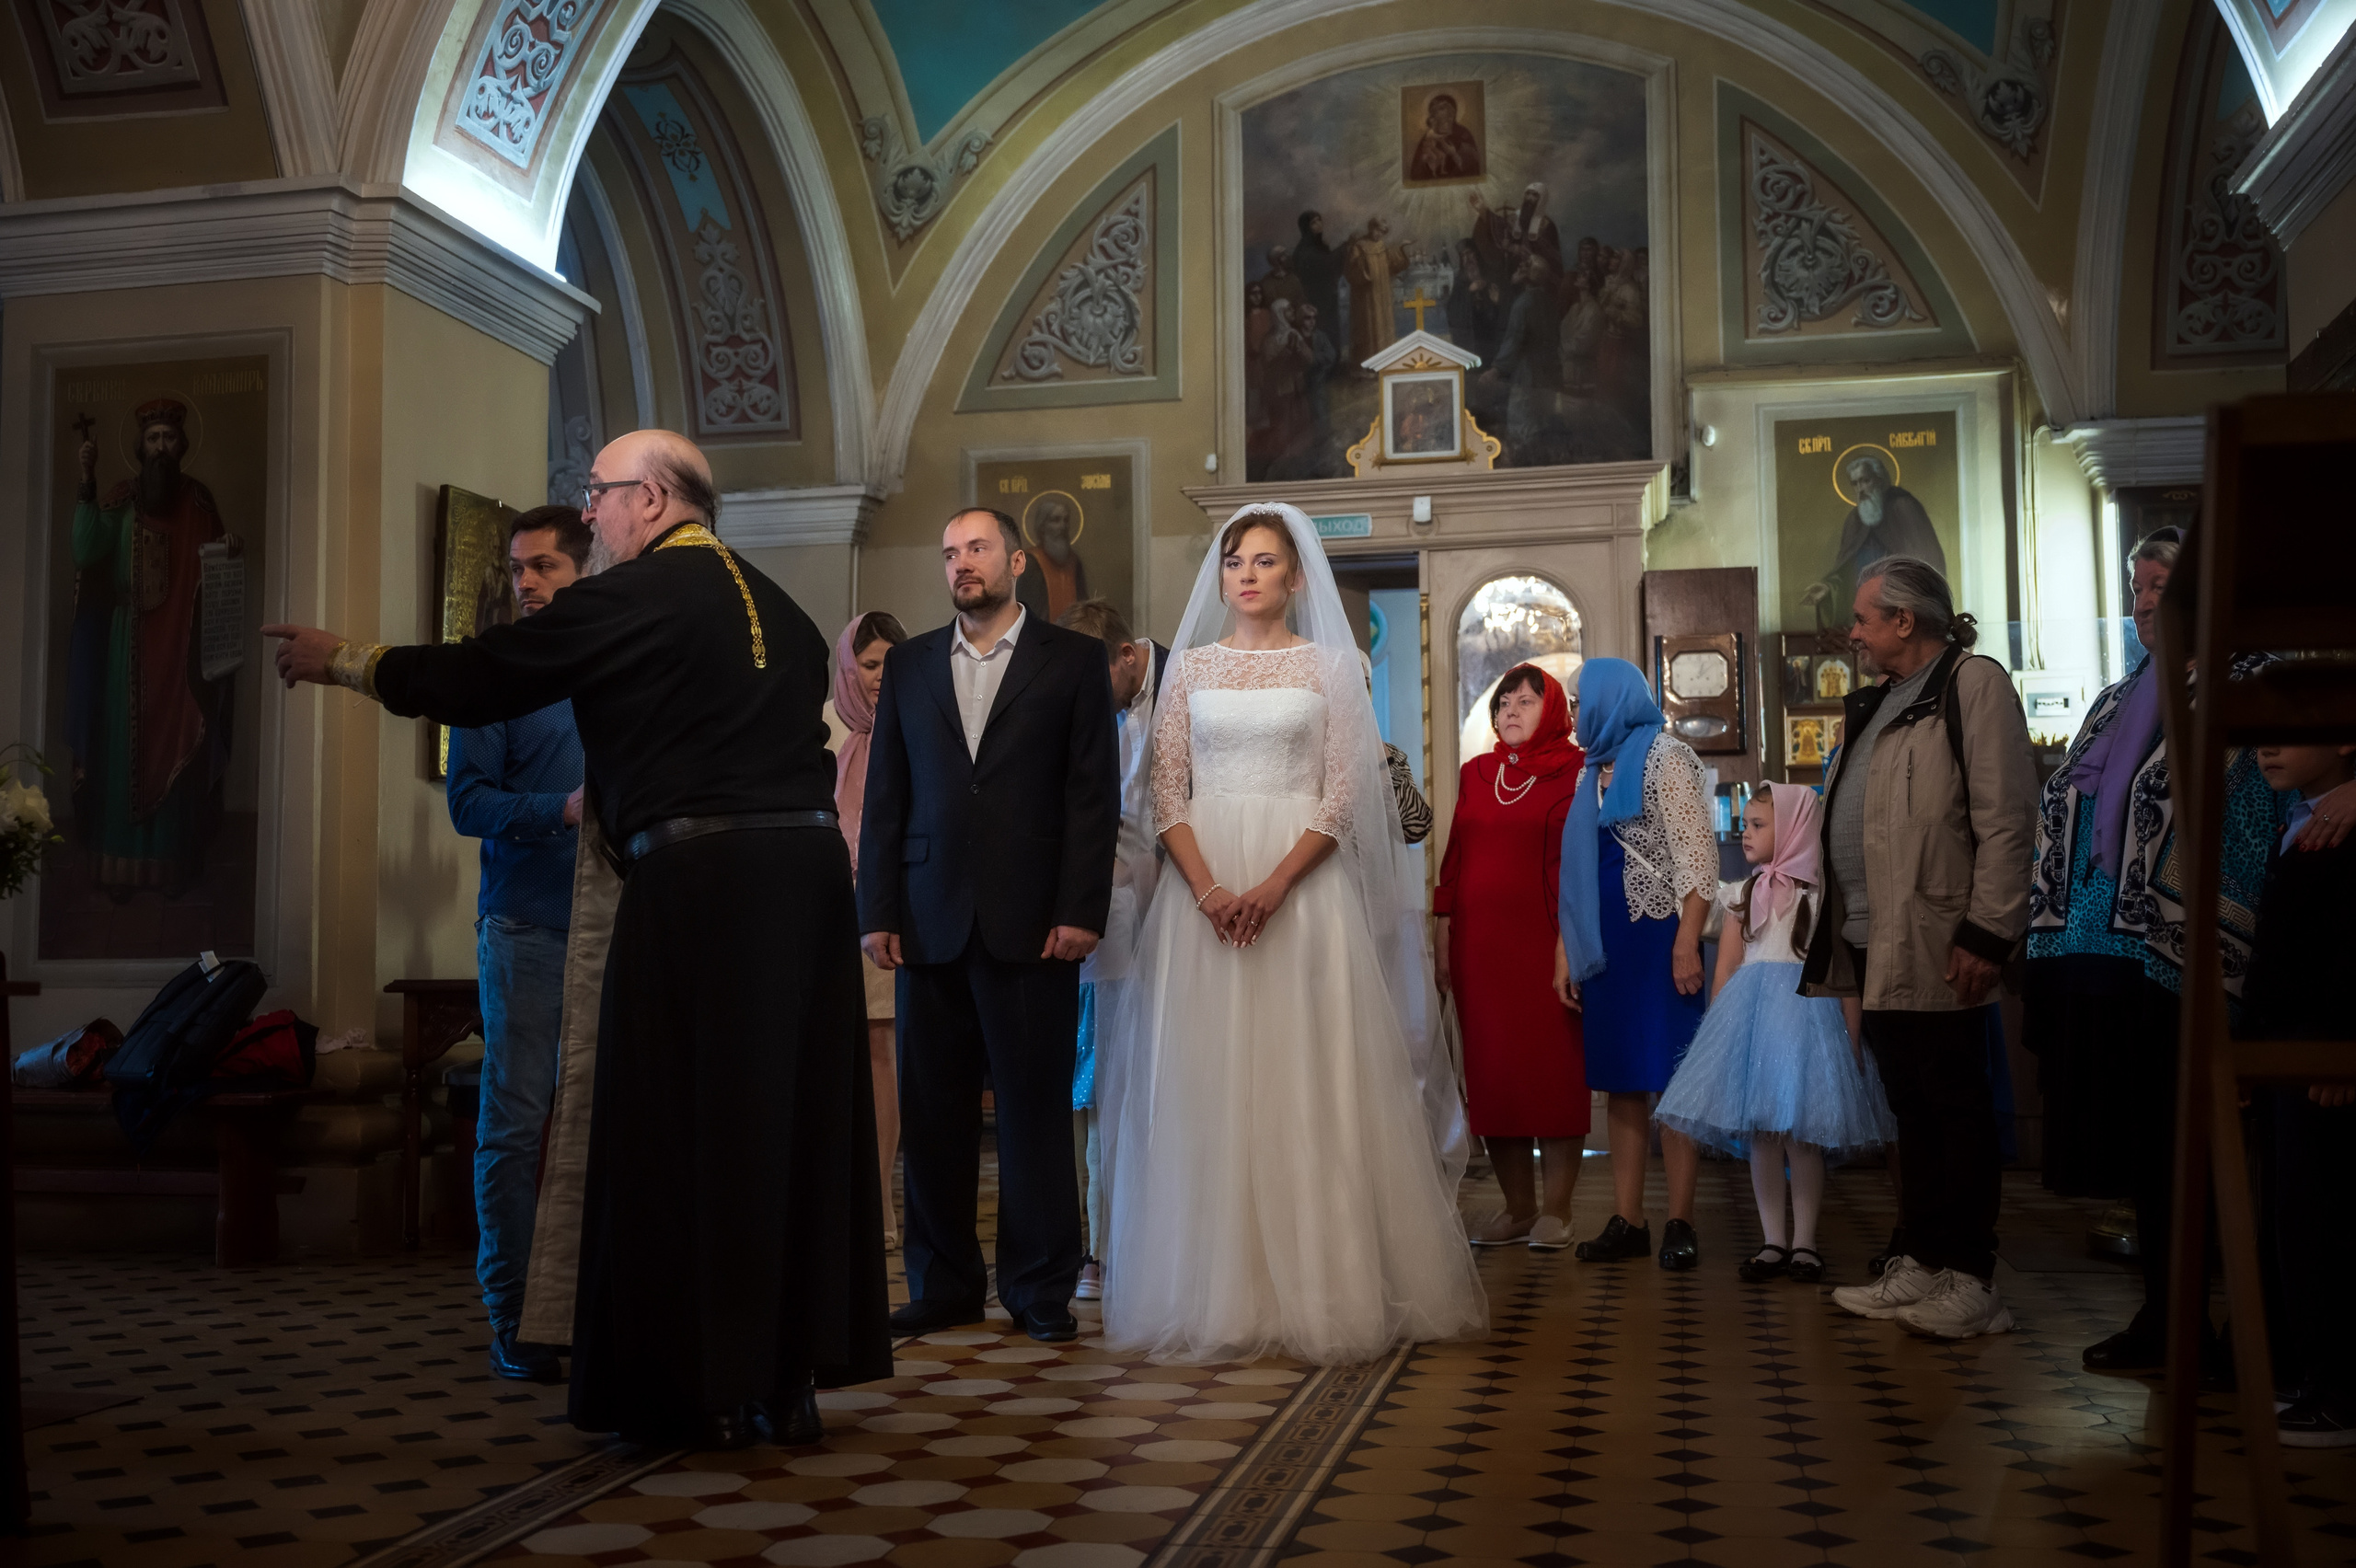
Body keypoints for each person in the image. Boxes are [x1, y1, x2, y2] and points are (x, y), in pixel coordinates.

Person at [264, 428, 889, 1449]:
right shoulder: (772, 598)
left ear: (647, 499)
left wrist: (350, 664)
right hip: (807, 884)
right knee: (786, 1129)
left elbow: (486, 674)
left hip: (705, 885)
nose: (587, 515)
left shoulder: (632, 594)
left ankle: (693, 1385)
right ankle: (787, 1377)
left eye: (594, 496)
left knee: (675, 1132)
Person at [1099, 503, 1484, 1364]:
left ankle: (1321, 1284)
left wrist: (1272, 885)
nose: (1245, 573)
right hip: (1205, 898)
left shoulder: (1330, 665)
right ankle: (1221, 1291)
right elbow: (1166, 794)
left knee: (1304, 1077)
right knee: (1214, 1086)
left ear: (1295, 576)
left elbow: (1345, 796)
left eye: (1264, 561)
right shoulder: (1190, 670)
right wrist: (1208, 891)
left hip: (1303, 896)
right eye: (1234, 559)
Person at [858, 509, 1119, 1344]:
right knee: (932, 1116)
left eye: (975, 549)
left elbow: (1091, 796)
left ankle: (1039, 1287)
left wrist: (1082, 909)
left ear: (1015, 560)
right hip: (928, 918)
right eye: (948, 553)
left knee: (1035, 1113)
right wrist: (877, 912)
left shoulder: (1071, 662)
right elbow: (887, 797)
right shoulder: (910, 665)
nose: (960, 564)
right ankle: (942, 1285)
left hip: (1035, 921)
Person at [1809, 557, 2037, 1343]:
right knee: (1911, 1107)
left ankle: (1972, 1278)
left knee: (1954, 1105)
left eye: (1866, 617)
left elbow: (2006, 816)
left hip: (1940, 936)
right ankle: (1923, 1256)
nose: (1855, 630)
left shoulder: (1971, 683)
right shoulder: (1882, 699)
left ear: (1906, 621)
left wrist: (1989, 929)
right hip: (1877, 937)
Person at [445, 505, 589, 1383]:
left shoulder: (615, 664)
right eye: (519, 570)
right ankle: (517, 1314)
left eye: (545, 568)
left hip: (615, 926)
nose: (527, 583)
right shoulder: (491, 677)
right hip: (526, 927)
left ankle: (586, 1298)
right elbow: (467, 802)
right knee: (517, 1121)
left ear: (584, 574)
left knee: (600, 1121)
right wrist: (559, 810)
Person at [1655, 785, 1894, 1283]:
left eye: (1758, 825)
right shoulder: (1743, 895)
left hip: (1809, 1026)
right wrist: (1718, 1043)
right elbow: (1725, 972)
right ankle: (1773, 1241)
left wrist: (1851, 1039)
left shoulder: (1822, 898)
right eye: (1745, 823)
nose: (1746, 832)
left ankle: (1805, 1242)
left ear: (1794, 831)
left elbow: (1844, 979)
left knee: (1803, 1138)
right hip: (1754, 1027)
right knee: (1765, 1136)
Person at [2027, 531, 2176, 1212]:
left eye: (2159, 588)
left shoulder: (2231, 684)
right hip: (2086, 947)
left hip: (2155, 953)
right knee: (2125, 1147)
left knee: (2166, 1138)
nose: (2143, 604)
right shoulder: (2119, 696)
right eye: (2136, 589)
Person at [1553, 658, 1715, 1270]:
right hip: (1606, 944)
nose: (1573, 715)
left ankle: (1680, 1220)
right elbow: (1576, 876)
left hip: (1658, 936)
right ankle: (1629, 1220)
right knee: (1622, 1084)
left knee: (1674, 1085)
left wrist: (1686, 941)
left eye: (1578, 703)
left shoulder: (1664, 758)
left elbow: (1698, 861)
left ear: (1608, 700)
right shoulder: (1591, 769)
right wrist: (1569, 950)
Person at [1434, 664, 1587, 1250]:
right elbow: (1454, 861)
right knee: (1494, 1076)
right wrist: (1443, 932)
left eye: (1528, 700)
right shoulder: (1477, 773)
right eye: (1505, 702)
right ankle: (1518, 1207)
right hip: (1481, 947)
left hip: (1549, 945)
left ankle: (1557, 1208)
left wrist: (1571, 943)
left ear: (1552, 711)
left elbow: (1583, 868)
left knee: (1554, 1074)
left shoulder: (1578, 771)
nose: (1513, 710)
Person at [68, 398, 237, 898]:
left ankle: (170, 865)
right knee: (120, 750)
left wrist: (230, 550)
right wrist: (86, 480)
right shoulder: (121, 499)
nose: (161, 447)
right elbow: (85, 550)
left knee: (180, 735)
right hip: (124, 648)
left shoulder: (200, 503)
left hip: (179, 652)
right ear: (140, 447)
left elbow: (217, 564)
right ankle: (118, 868)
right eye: (153, 439)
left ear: (181, 445)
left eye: (168, 438)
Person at [1055, 599, 1167, 1304]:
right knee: (1104, 1085)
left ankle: (1157, 1237)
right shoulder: (1096, 694)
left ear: (1127, 657)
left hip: (1183, 906)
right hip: (1112, 917)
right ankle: (1101, 1245)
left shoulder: (1187, 679)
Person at [2246, 742, 2356, 1447]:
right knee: (2293, 1216)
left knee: (2328, 1220)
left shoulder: (2345, 828)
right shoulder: (2309, 814)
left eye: (2288, 730)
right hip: (2289, 1047)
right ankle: (2318, 1371)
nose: (2266, 745)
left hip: (2324, 1054)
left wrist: (2341, 1043)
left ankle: (2343, 1391)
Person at [826, 610, 909, 1251]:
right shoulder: (825, 728)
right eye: (871, 664)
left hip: (889, 908)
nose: (881, 677)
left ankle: (879, 1199)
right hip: (824, 905)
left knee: (882, 1052)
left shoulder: (917, 724)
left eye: (890, 662)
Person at [1410, 92, 1482, 180]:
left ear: (1453, 115)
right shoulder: (1429, 135)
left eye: (1449, 115)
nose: (1446, 120)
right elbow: (1417, 172)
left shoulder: (1463, 134)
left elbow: (1473, 166)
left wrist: (1454, 154)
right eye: (1436, 113)